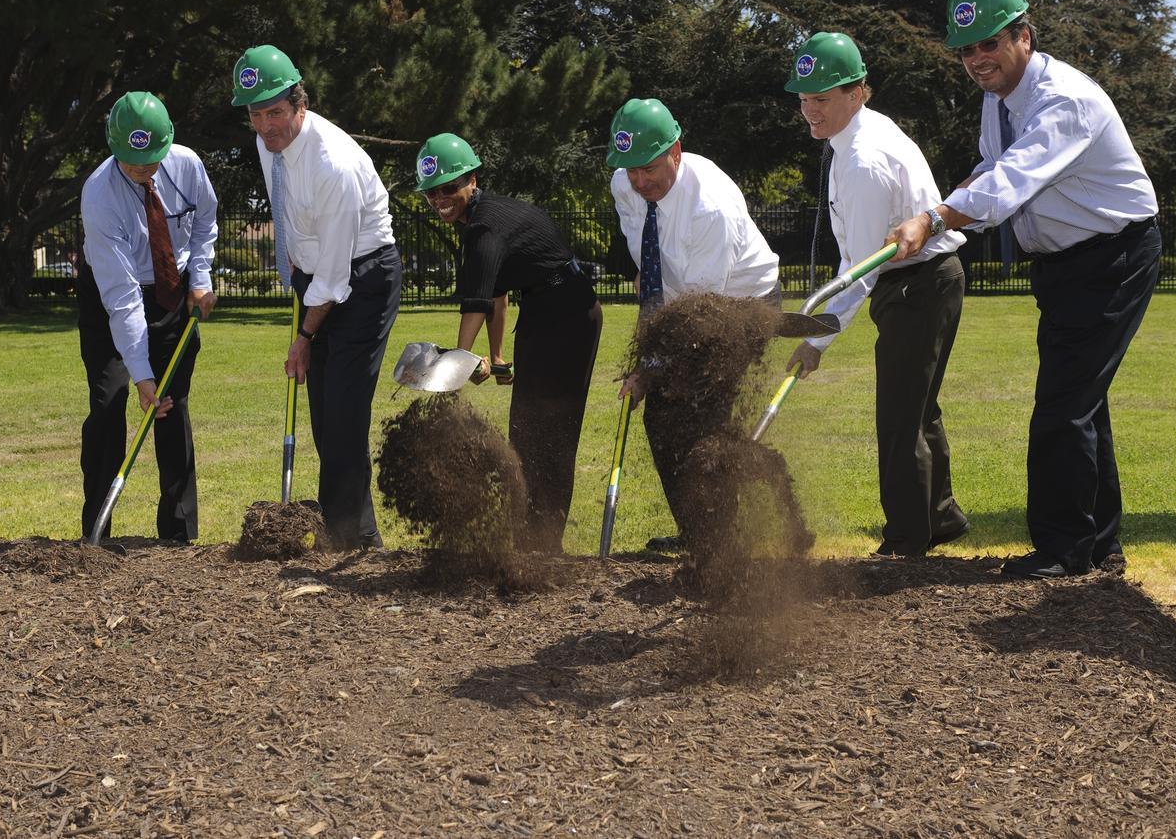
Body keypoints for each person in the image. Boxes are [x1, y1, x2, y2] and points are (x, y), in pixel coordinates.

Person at [887, 0, 1162, 579]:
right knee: (1081, 402)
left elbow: (1009, 186)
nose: (976, 60)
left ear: (1024, 37)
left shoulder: (1062, 99)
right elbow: (992, 166)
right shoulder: (999, 100)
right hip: (1066, 266)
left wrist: (930, 220)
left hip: (1112, 257)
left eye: (989, 44)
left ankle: (1062, 550)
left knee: (1062, 406)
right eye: (966, 50)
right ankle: (1100, 545)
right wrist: (936, 210)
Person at [785, 32, 971, 558]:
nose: (809, 111)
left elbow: (860, 269)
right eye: (803, 98)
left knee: (899, 417)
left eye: (821, 98)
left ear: (856, 92)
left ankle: (906, 541)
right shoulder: (858, 136)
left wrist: (816, 341)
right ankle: (940, 517)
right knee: (918, 406)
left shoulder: (864, 159)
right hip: (923, 280)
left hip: (917, 284)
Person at [231, 44, 403, 550]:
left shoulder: (335, 165)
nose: (266, 126)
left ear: (299, 105)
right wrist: (289, 252)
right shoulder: (270, 144)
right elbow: (285, 203)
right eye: (256, 115)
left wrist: (303, 336)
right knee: (325, 414)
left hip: (363, 276)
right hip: (317, 274)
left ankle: (352, 540)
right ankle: (348, 527)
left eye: (276, 113)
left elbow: (335, 275)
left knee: (345, 409)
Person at [607, 97, 781, 552]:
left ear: (676, 151)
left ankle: (722, 541)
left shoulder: (710, 210)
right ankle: (699, 533)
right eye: (631, 171)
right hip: (679, 302)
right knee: (663, 419)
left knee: (701, 412)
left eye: (649, 168)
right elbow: (646, 258)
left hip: (737, 306)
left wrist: (649, 368)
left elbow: (699, 316)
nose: (640, 181)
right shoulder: (625, 184)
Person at [414, 133, 603, 553]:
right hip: (542, 310)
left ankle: (543, 541)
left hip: (569, 315)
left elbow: (476, 303)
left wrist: (458, 362)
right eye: (431, 194)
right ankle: (529, 534)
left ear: (472, 181)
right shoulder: (478, 222)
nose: (440, 200)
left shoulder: (485, 229)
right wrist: (496, 357)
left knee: (549, 427)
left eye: (449, 188)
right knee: (526, 425)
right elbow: (498, 294)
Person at [78, 91, 218, 543]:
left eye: (153, 158)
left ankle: (177, 534)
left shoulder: (188, 165)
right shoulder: (99, 195)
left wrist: (200, 276)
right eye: (133, 160)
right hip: (112, 295)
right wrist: (141, 375)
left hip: (173, 289)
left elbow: (204, 222)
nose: (144, 168)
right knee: (110, 400)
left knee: (172, 403)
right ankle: (97, 535)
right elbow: (121, 299)